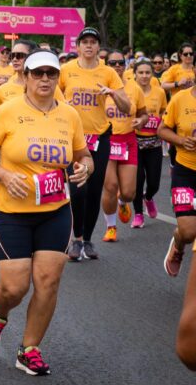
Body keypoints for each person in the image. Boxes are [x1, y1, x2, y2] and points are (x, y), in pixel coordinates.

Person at [0, 49, 93, 376]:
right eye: (38, 73)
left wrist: (85, 168)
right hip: (12, 212)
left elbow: (84, 156)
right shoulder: (8, 111)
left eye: (51, 74)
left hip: (55, 210)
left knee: (48, 281)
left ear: (58, 78)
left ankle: (29, 349)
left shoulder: (69, 115)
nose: (45, 79)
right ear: (26, 76)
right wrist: (3, 174)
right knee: (14, 288)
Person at [58, 27, 129, 260]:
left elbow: (126, 107)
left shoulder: (108, 72)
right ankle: (76, 238)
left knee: (94, 190)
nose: (89, 46)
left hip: (100, 138)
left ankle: (87, 240)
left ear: (99, 47)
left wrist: (113, 93)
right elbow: (50, 98)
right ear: (77, 46)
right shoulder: (66, 70)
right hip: (73, 139)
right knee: (78, 190)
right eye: (84, 42)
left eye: (93, 42)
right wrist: (62, 104)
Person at [100, 50, 147, 241]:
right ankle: (111, 227)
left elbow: (144, 113)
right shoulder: (99, 86)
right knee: (110, 186)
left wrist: (142, 121)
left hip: (128, 140)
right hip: (107, 140)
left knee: (128, 192)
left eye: (120, 63)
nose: (117, 66)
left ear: (125, 65)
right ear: (106, 65)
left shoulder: (134, 88)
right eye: (113, 63)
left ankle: (122, 202)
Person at [159, 79, 196, 277]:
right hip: (186, 170)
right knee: (189, 232)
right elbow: (162, 130)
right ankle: (178, 245)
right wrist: (181, 140)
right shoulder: (180, 98)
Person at [132, 60, 167, 228]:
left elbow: (163, 112)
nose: (144, 76)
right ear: (135, 74)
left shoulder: (159, 93)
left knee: (154, 183)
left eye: (147, 72)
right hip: (134, 143)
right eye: (141, 72)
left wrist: (159, 121)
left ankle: (148, 197)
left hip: (154, 144)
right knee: (137, 181)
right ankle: (138, 214)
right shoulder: (129, 92)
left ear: (152, 74)